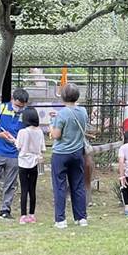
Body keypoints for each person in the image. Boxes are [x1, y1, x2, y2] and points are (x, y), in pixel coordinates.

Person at [0, 88, 29, 220]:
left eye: (21, 106)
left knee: (11, 183)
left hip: (14, 153)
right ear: (12, 100)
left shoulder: (26, 114)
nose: (18, 108)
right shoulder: (2, 108)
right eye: (17, 105)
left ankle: (5, 210)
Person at [49, 83, 89, 229]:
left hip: (61, 154)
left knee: (60, 186)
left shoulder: (62, 113)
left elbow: (56, 135)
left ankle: (60, 220)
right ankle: (81, 218)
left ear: (63, 96)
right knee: (78, 185)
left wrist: (51, 125)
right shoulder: (83, 111)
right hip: (77, 152)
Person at [15, 107, 45, 224]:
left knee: (24, 189)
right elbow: (42, 148)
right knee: (32, 189)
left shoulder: (22, 132)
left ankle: (23, 215)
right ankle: (32, 215)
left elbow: (18, 146)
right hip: (35, 162)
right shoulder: (40, 131)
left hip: (23, 163)